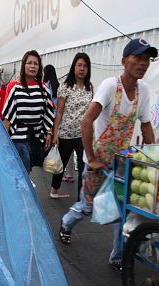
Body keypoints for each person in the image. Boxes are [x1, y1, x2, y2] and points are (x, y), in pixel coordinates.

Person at [58, 38, 157, 272]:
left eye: (147, 59)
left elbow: (146, 126)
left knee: (122, 208)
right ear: (124, 61)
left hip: (121, 161)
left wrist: (153, 157)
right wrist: (91, 159)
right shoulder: (110, 86)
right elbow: (86, 121)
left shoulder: (143, 91)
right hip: (97, 160)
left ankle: (117, 256)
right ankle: (65, 223)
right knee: (89, 205)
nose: (143, 64)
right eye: (138, 58)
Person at [49, 53, 94, 200]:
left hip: (83, 134)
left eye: (85, 66)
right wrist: (55, 133)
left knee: (83, 167)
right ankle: (54, 189)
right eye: (79, 65)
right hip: (66, 133)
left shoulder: (89, 87)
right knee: (60, 165)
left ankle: (81, 199)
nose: (82, 69)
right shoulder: (65, 86)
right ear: (74, 67)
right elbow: (60, 112)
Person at [2, 50, 55, 174]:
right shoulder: (14, 87)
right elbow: (7, 116)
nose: (32, 66)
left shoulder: (44, 89)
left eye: (36, 63)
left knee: (28, 172)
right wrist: (2, 141)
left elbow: (48, 113)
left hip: (35, 138)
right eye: (29, 63)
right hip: (18, 139)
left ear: (39, 67)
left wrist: (49, 133)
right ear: (23, 65)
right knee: (19, 173)